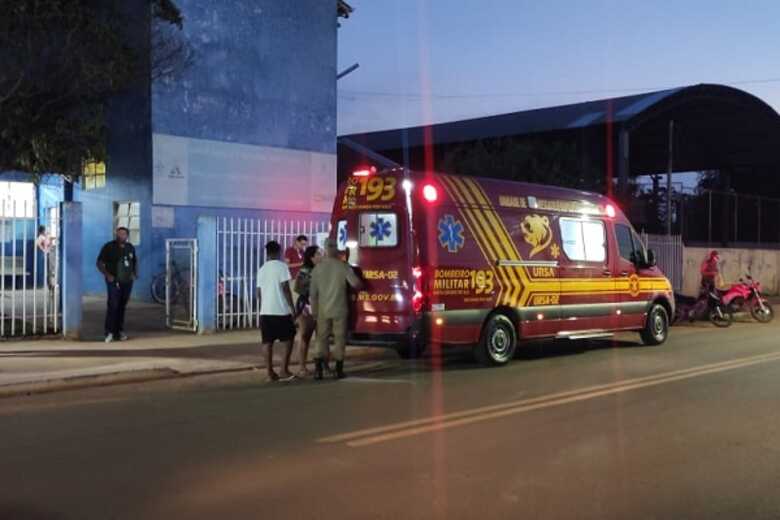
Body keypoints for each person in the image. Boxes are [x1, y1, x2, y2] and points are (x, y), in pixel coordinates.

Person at [310, 239, 362, 380]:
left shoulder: (317, 269)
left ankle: (318, 370)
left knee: (321, 339)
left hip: (323, 310)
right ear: (335, 249)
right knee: (339, 339)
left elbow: (313, 294)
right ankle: (339, 370)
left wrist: (314, 312)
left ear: (325, 249)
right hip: (340, 308)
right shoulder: (342, 266)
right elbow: (356, 284)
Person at [257, 240, 297, 382]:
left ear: (267, 253)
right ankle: (283, 370)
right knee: (288, 339)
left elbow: (258, 292)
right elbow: (286, 288)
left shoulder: (262, 269)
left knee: (267, 342)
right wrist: (292, 308)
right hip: (281, 310)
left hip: (265, 311)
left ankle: (269, 373)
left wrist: (263, 306)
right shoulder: (282, 267)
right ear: (279, 252)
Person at [96, 227, 137, 343]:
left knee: (122, 306)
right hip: (113, 281)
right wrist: (108, 275)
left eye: (123, 234)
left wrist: (134, 274)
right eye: (119, 234)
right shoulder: (109, 247)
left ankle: (119, 332)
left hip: (127, 281)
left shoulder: (130, 247)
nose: (121, 236)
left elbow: (134, 261)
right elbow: (99, 263)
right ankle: (109, 332)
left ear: (127, 236)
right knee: (113, 305)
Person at [293, 245, 323, 377]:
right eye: (318, 254)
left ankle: (322, 365)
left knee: (321, 337)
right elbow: (298, 288)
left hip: (320, 306)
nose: (321, 256)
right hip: (307, 306)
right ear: (311, 257)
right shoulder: (305, 270)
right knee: (305, 336)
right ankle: (302, 367)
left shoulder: (321, 269)